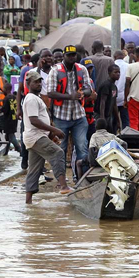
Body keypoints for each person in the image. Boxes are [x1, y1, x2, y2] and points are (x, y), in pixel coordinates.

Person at [22, 69, 71, 203]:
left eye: (39, 82)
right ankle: (63, 186)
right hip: (36, 136)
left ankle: (28, 202)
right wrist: (54, 130)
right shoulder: (31, 98)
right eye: (35, 82)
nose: (38, 84)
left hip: (34, 137)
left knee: (34, 169)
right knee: (58, 153)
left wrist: (50, 134)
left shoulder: (35, 98)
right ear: (28, 83)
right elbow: (34, 120)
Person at [46, 45, 93, 178]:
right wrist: (70, 96)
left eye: (74, 55)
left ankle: (80, 178)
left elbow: (89, 89)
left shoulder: (82, 69)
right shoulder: (55, 70)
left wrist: (82, 93)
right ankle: (61, 179)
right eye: (69, 55)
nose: (72, 57)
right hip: (61, 116)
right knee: (61, 149)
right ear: (64, 56)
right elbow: (50, 92)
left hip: (79, 115)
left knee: (82, 148)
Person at [94, 64, 120, 133]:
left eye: (119, 72)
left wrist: (118, 120)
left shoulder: (114, 87)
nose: (118, 74)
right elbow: (102, 102)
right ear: (109, 73)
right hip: (101, 115)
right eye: (115, 72)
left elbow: (114, 104)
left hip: (109, 115)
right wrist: (102, 119)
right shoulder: (106, 85)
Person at [1, 82, 20, 156]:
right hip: (14, 119)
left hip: (8, 120)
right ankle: (5, 152)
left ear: (5, 89)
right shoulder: (14, 97)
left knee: (11, 136)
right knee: (7, 136)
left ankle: (19, 149)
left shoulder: (6, 98)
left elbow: (4, 110)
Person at [113, 50, 129, 130]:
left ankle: (115, 137)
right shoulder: (128, 66)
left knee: (114, 120)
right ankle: (127, 138)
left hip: (113, 97)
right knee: (125, 120)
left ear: (114, 57)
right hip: (124, 97)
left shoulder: (112, 65)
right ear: (123, 57)